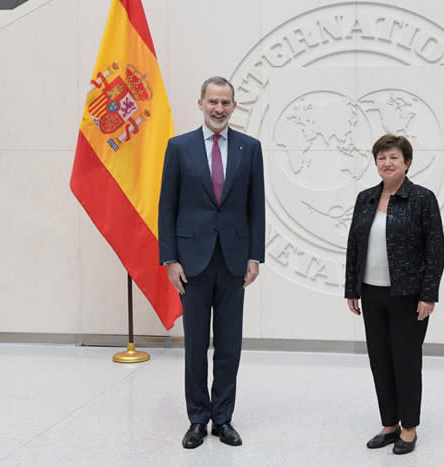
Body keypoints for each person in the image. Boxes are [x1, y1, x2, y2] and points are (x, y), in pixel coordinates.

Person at [158, 76, 265, 449]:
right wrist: (170, 258)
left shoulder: (249, 149)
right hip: (192, 263)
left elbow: (256, 206)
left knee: (230, 345)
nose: (219, 109)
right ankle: (197, 419)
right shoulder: (179, 147)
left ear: (234, 106)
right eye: (213, 102)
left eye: (226, 102)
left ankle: (223, 418)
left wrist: (255, 256)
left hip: (234, 262)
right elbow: (167, 206)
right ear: (200, 103)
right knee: (195, 346)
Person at [344, 134, 444, 455]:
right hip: (371, 294)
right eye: (381, 158)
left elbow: (436, 250)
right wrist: (351, 288)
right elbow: (354, 246)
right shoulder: (365, 199)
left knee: (406, 361)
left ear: (407, 162)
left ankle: (410, 428)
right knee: (380, 361)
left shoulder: (422, 199)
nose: (387, 163)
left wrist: (428, 294)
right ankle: (389, 424)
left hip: (408, 296)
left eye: (394, 158)